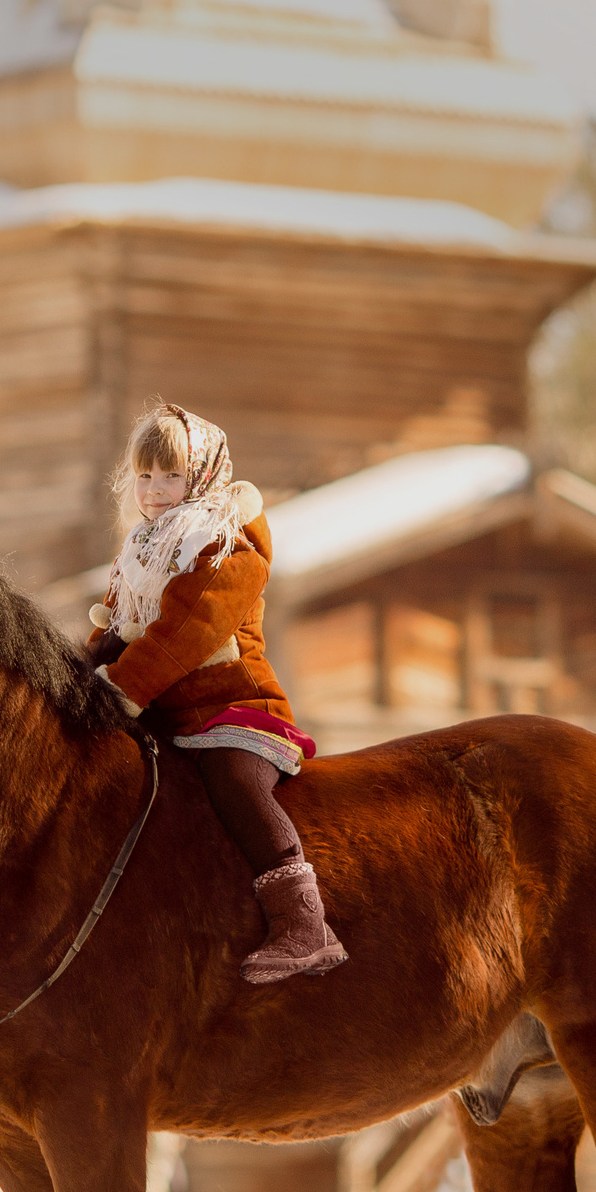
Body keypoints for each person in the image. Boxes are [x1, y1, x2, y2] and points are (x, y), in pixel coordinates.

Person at [86, 403, 347, 984]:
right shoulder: (143, 549)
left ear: (200, 476)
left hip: (232, 706)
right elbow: (119, 628)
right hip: (166, 710)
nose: (155, 490)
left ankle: (302, 919)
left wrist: (119, 691)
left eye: (171, 476)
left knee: (234, 779)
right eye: (145, 476)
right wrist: (77, 671)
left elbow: (186, 629)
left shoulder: (226, 544)